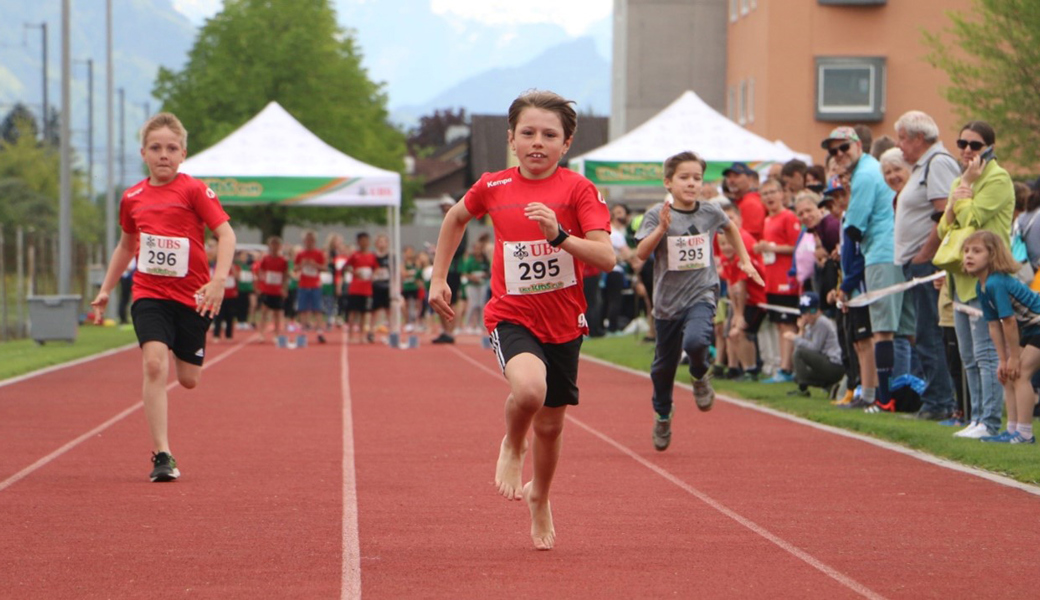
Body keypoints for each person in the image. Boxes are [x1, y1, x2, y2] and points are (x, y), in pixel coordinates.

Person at [428, 90, 615, 550]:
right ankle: (513, 444)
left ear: (566, 143)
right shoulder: (493, 186)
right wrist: (438, 277)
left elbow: (606, 256)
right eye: (528, 133)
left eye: (549, 135)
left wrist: (560, 236)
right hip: (510, 314)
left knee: (551, 426)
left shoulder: (579, 190)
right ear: (511, 139)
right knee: (529, 390)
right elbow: (455, 219)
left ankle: (541, 497)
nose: (538, 142)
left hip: (565, 321)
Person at [90, 112, 235, 482]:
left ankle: (187, 348)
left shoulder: (194, 191)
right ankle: (162, 455)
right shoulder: (133, 197)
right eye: (156, 148)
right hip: (149, 293)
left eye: (171, 148)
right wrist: (106, 290)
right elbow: (126, 246)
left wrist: (218, 280)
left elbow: (227, 235)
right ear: (143, 153)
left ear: (183, 153)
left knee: (189, 379)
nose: (164, 155)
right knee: (154, 364)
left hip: (193, 296)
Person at [635, 151, 762, 452]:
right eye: (684, 177)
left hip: (702, 293)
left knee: (696, 341)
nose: (692, 184)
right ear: (668, 182)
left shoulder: (709, 211)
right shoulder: (657, 213)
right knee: (662, 370)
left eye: (697, 178)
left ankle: (700, 374)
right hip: (667, 303)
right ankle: (663, 414)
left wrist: (744, 260)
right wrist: (661, 230)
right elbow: (641, 254)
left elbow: (730, 226)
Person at [824, 126, 909, 414]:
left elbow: (854, 227)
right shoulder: (871, 169)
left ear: (858, 145)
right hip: (889, 251)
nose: (839, 154)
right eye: (833, 151)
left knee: (882, 330)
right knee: (899, 330)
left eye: (843, 148)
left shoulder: (864, 174)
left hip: (881, 254)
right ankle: (889, 393)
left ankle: (883, 398)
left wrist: (847, 280)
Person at [940, 121, 1015, 439]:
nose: (967, 150)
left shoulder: (997, 179)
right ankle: (976, 418)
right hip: (960, 277)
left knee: (986, 353)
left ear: (989, 148)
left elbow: (972, 220)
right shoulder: (960, 180)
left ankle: (990, 421)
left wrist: (965, 190)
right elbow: (945, 229)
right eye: (962, 144)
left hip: (987, 276)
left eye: (975, 145)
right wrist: (960, 195)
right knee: (968, 355)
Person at [893, 110, 961, 420]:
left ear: (919, 138)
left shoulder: (937, 163)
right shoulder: (924, 165)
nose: (900, 146)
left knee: (930, 331)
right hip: (917, 263)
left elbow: (947, 212)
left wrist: (925, 254)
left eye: (903, 139)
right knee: (924, 331)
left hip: (927, 265)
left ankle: (939, 402)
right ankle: (938, 399)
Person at [963, 231, 1038, 444]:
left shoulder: (997, 282)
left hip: (1037, 325)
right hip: (1031, 329)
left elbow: (1010, 322)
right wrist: (1004, 360)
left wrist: (1014, 357)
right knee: (1008, 374)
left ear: (992, 255)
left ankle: (1024, 433)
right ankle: (1012, 429)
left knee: (1022, 373)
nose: (968, 256)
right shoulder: (982, 286)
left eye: (976, 251)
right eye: (966, 251)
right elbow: (994, 326)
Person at [754, 177, 802, 382]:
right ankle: (782, 366)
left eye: (773, 192)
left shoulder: (789, 217)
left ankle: (786, 368)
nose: (769, 197)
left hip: (787, 279)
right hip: (772, 278)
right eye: (765, 194)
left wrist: (772, 247)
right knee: (779, 325)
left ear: (782, 193)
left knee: (787, 324)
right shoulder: (767, 219)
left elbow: (796, 246)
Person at [785, 292, 844, 397]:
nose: (807, 316)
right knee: (798, 376)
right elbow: (802, 345)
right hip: (827, 362)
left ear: (817, 310)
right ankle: (829, 386)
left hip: (835, 364)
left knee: (799, 354)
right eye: (804, 312)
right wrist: (801, 329)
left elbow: (814, 348)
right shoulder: (810, 325)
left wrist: (795, 338)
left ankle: (803, 389)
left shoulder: (821, 322)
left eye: (811, 311)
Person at [345, 232, 378, 343]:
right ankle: (350, 335)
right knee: (353, 312)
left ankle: (362, 335)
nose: (364, 243)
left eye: (366, 240)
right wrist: (355, 272)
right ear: (358, 242)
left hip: (367, 288)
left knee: (365, 313)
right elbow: (346, 267)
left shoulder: (372, 256)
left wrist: (372, 275)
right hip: (355, 288)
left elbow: (376, 269)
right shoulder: (354, 255)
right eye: (362, 240)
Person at [295, 230, 328, 343]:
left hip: (315, 285)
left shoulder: (318, 254)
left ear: (314, 241)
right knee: (303, 308)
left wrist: (315, 265)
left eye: (311, 240)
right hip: (303, 285)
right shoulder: (300, 254)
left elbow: (325, 268)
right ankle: (303, 331)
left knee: (317, 309)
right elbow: (294, 268)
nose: (309, 242)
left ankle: (319, 332)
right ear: (304, 241)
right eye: (307, 240)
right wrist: (302, 265)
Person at [256, 236, 289, 343]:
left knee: (277, 314)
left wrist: (284, 289)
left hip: (277, 290)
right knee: (264, 312)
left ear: (279, 246)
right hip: (267, 289)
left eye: (276, 245)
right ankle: (261, 334)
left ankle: (276, 334)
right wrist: (261, 285)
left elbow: (285, 275)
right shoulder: (266, 259)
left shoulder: (283, 260)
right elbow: (261, 271)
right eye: (272, 245)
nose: (274, 247)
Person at [371, 233, 393, 338]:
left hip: (387, 285)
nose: (382, 244)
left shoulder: (391, 257)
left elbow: (396, 272)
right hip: (375, 285)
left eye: (384, 241)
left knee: (388, 309)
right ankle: (371, 332)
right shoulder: (372, 256)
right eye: (380, 241)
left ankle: (391, 332)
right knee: (373, 310)